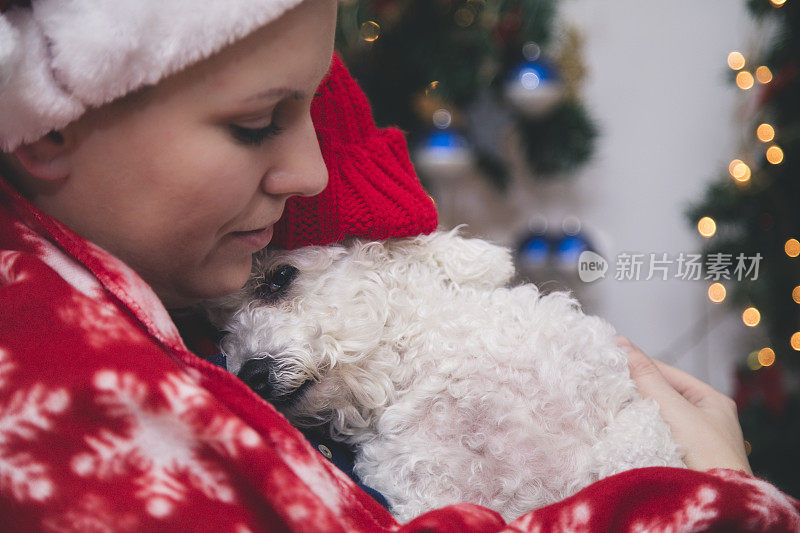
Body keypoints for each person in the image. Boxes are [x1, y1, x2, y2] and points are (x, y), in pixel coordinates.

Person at [0, 0, 797, 531]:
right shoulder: (65, 395)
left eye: (311, 109)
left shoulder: (143, 315)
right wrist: (712, 499)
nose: (312, 173)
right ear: (46, 127)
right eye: (256, 122)